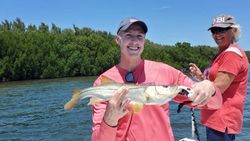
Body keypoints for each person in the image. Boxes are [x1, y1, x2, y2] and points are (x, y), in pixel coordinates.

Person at [91, 17, 222, 141]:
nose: (134, 41)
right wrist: (109, 120)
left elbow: (214, 104)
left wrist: (210, 88)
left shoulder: (166, 72)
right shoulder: (102, 82)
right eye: (128, 35)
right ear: (118, 40)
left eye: (139, 36)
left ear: (144, 41)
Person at [189, 15, 249, 141]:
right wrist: (201, 76)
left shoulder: (231, 55)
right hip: (215, 116)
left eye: (222, 30)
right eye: (214, 31)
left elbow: (218, 88)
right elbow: (215, 84)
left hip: (222, 119)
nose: (217, 34)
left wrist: (187, 94)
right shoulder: (223, 53)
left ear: (233, 31)